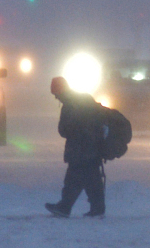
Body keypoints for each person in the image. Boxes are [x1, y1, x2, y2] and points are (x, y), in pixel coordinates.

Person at [45, 76, 107, 218]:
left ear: (60, 91)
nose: (56, 98)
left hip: (80, 149)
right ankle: (95, 208)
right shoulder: (83, 99)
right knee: (90, 178)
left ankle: (65, 207)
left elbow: (64, 130)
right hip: (91, 148)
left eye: (55, 94)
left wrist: (77, 133)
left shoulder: (70, 105)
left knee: (76, 178)